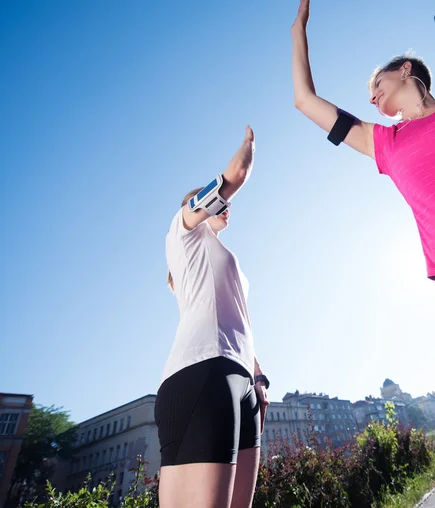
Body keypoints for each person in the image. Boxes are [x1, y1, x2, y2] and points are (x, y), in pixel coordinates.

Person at [291, 0, 435, 405]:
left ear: (405, 69)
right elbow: (305, 101)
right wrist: (298, 31)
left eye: (375, 84)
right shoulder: (382, 142)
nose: (371, 97)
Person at [155, 125, 270, 508]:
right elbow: (230, 179)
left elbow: (241, 320)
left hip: (241, 381)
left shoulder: (222, 255)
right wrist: (246, 154)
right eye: (217, 206)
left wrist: (258, 377)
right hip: (200, 371)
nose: (226, 209)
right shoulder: (182, 234)